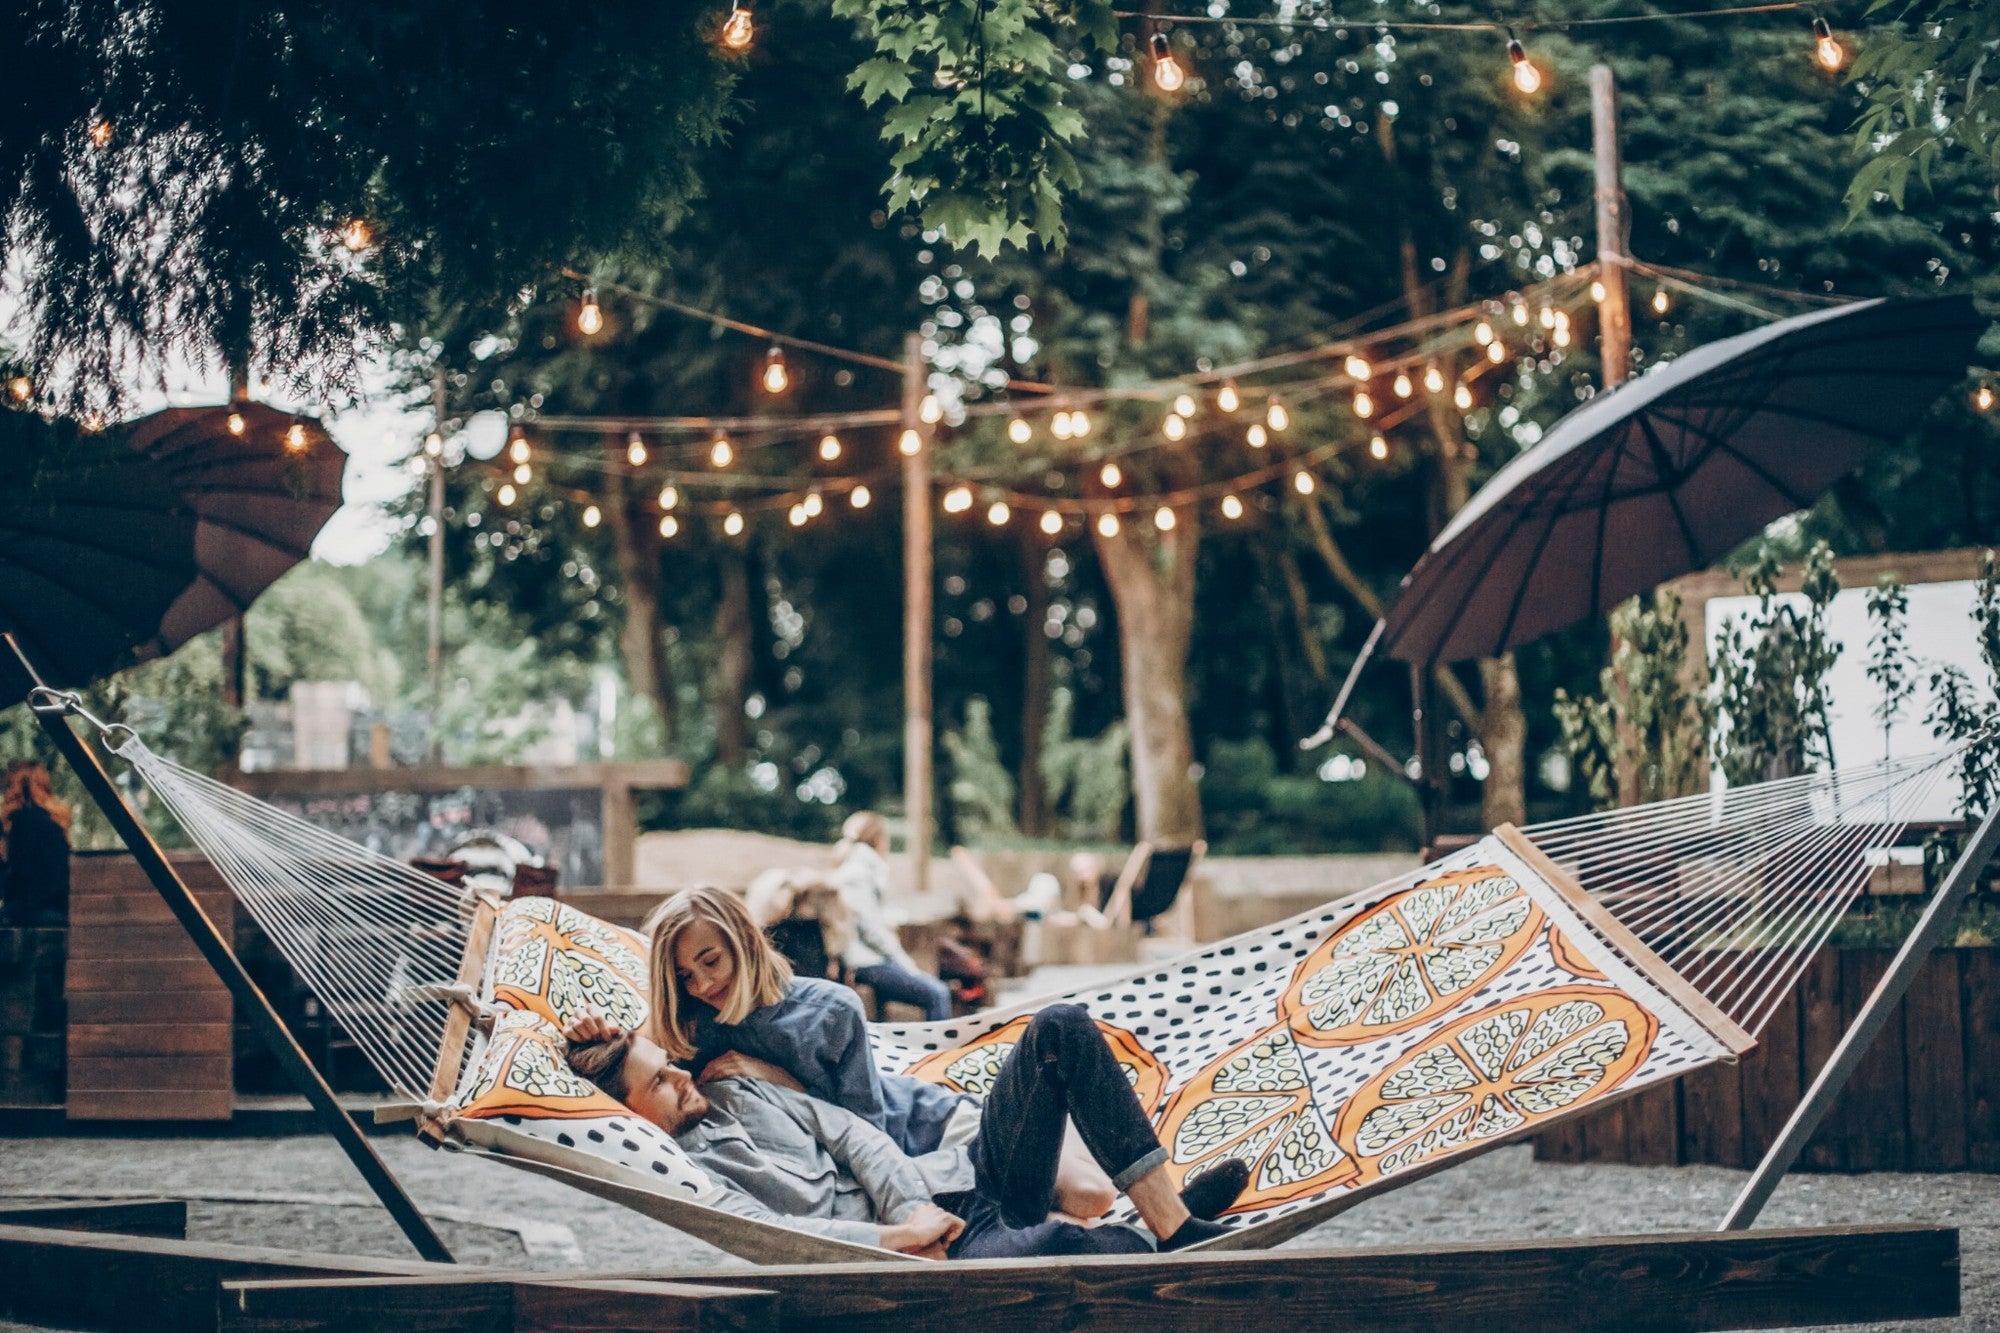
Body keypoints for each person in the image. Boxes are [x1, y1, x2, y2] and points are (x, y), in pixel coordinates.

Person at [567, 1003, 1250, 1259]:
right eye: (660, 1080)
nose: (679, 1074)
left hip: (954, 1187)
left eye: (669, 1063)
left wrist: (912, 1212)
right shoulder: (685, 1174)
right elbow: (769, 1232)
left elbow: (855, 1136)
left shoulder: (733, 1088)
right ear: (629, 1113)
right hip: (929, 1250)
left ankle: (1171, 1223)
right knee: (1061, 1245)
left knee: (1060, 1027)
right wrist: (897, 1241)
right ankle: (1150, 1239)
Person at [642, 885, 1117, 1217]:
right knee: (1062, 1206)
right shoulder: (693, 1027)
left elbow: (867, 1132)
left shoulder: (830, 1009)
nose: (701, 984)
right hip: (881, 1168)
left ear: (744, 943)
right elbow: (632, 1067)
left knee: (1092, 1197)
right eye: (684, 975)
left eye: (710, 961)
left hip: (926, 1128)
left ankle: (1059, 1123)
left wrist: (774, 1077)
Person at [830, 812, 952, 1022]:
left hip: (873, 959)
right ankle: (940, 1044)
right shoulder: (856, 875)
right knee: (938, 993)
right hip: (865, 963)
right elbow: (870, 930)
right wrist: (904, 962)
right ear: (877, 839)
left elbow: (877, 915)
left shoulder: (865, 870)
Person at [0, 762, 71, 928]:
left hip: (33, 914)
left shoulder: (22, 821)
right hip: (57, 912)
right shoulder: (52, 822)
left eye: (7, 785)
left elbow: (19, 877)